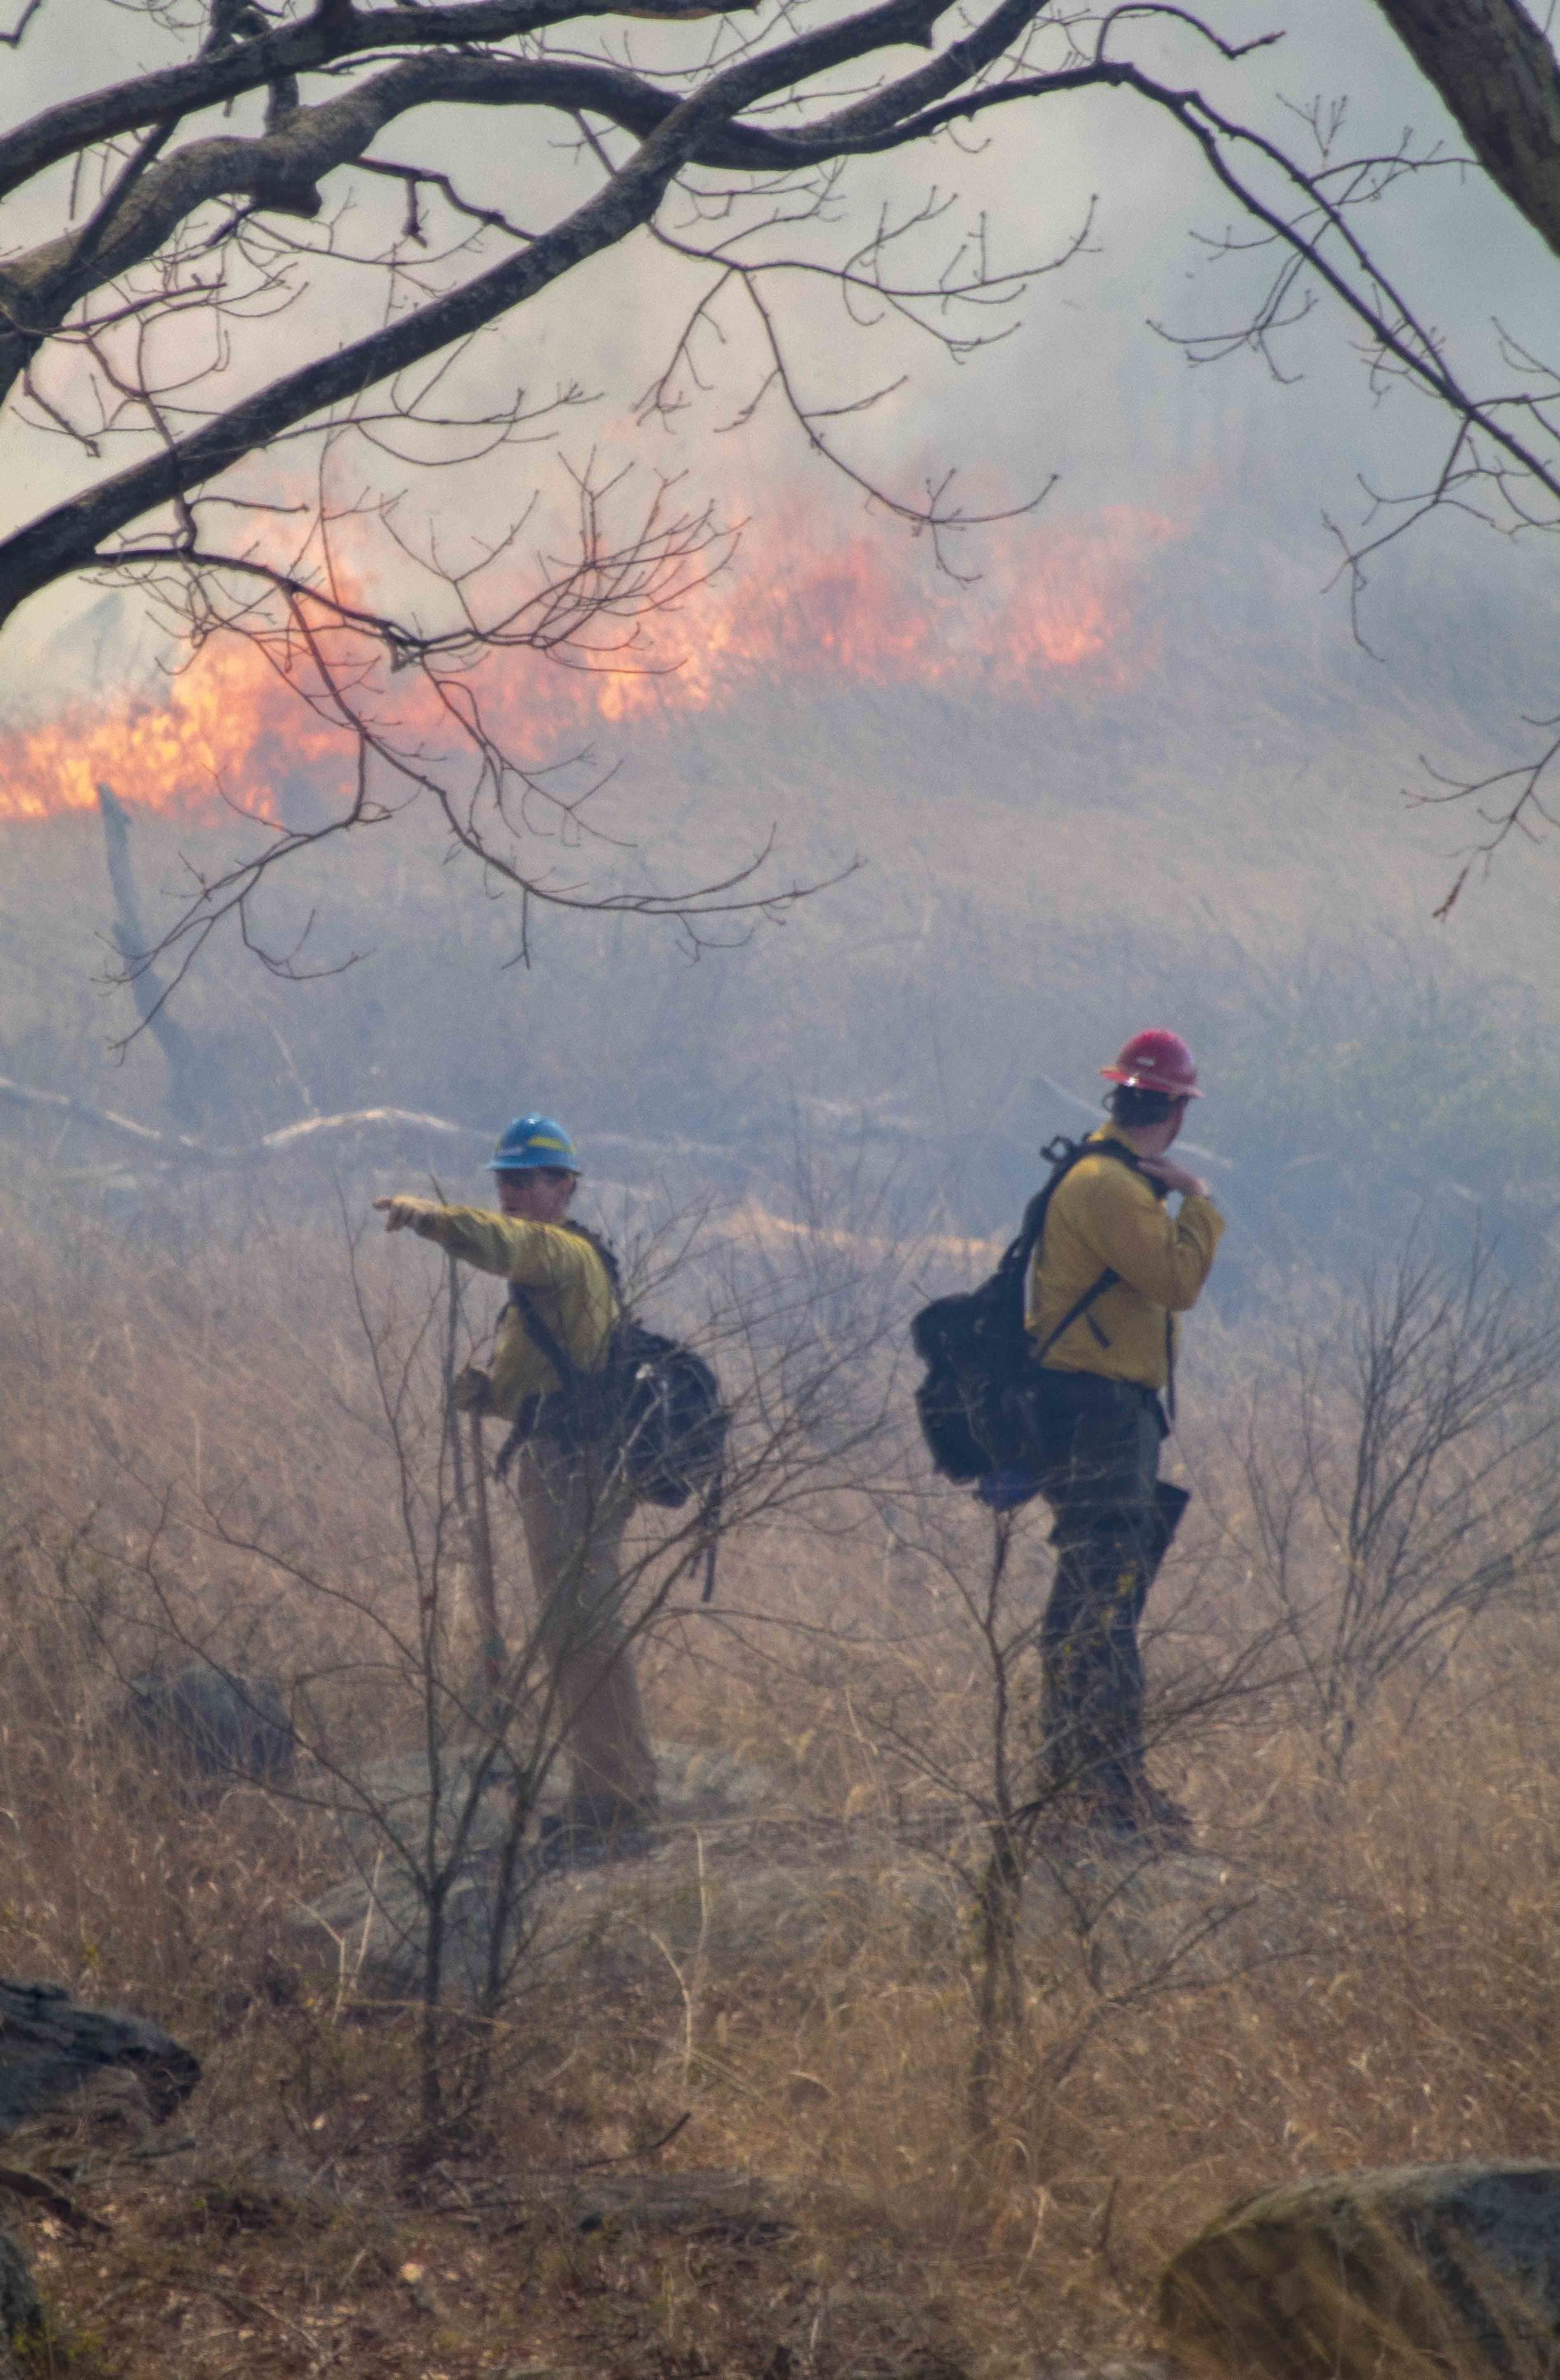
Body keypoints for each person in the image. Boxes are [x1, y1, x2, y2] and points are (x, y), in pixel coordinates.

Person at [373, 1117, 659, 1846]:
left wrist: (436, 1220)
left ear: (565, 1187)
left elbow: (508, 1244)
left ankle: (616, 1799)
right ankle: (610, 1788)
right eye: (503, 1179)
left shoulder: (558, 1252)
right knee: (576, 1627)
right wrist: (495, 1398)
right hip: (564, 1458)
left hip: (575, 1469)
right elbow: (562, 1379)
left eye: (526, 1179)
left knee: (583, 1630)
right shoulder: (561, 1271)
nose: (512, 1192)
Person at [1022, 1030, 1224, 1841]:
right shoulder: (1109, 1187)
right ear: (1172, 1113)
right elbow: (1175, 1283)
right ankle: (1102, 1795)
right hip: (1101, 1413)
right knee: (1102, 1603)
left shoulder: (1104, 1177)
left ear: (1118, 1098)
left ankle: (1084, 1784)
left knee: (1090, 1597)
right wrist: (1198, 1200)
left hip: (1096, 1409)